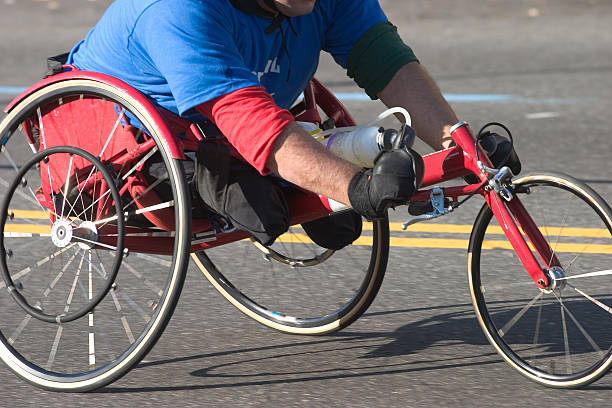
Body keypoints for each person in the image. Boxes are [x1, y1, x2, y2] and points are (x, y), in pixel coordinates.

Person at [67, 0, 512, 247]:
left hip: (232, 129)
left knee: (337, 214)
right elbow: (253, 125)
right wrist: (353, 188)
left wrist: (462, 143)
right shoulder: (179, 10)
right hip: (125, 151)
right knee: (261, 204)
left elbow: (391, 68)